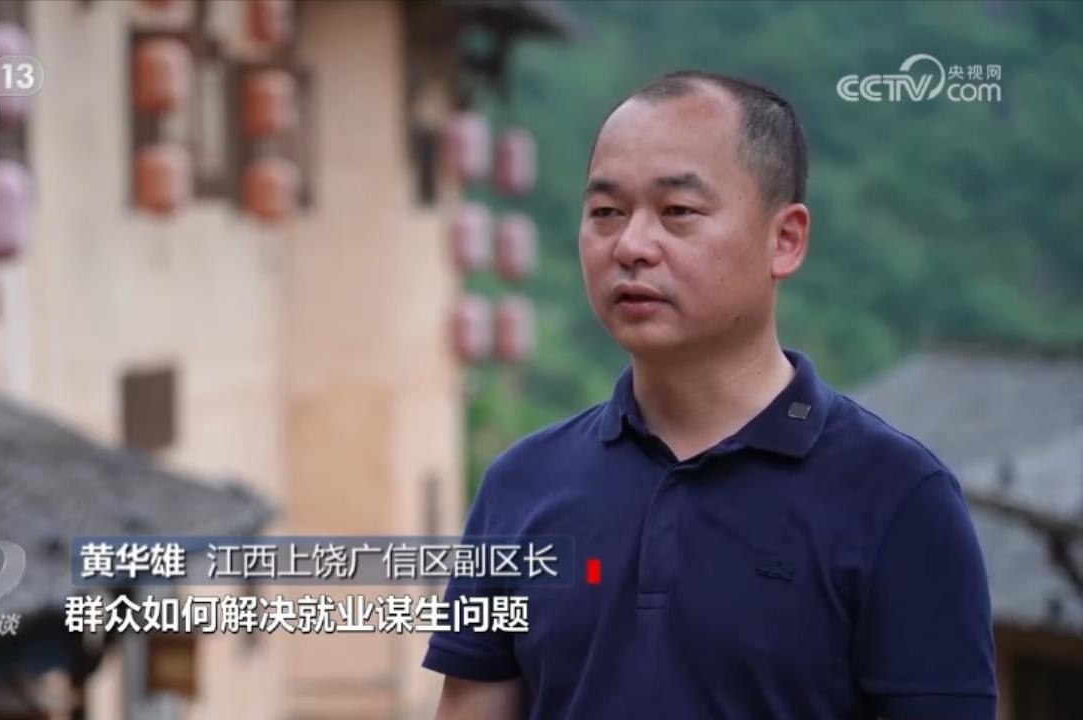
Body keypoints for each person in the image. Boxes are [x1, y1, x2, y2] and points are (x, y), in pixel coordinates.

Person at [422, 70, 996, 719]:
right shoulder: (522, 485)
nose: (631, 246)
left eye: (678, 212)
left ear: (785, 240)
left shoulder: (898, 498)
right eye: (606, 212)